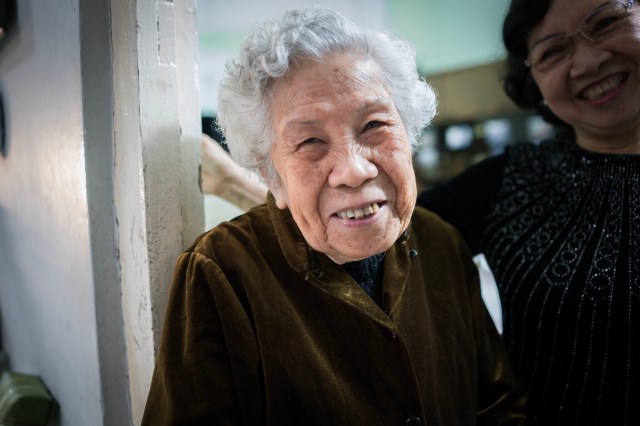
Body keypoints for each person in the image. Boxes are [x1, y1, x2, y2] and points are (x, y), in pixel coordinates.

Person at [198, 0, 640, 424]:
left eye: (605, 23)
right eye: (553, 51)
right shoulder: (509, 182)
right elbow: (363, 224)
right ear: (532, 73)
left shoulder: (437, 242)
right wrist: (259, 183)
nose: (587, 62)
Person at [142, 7, 526, 425]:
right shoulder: (220, 271)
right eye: (310, 141)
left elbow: (499, 408)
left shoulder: (441, 241)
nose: (354, 170)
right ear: (271, 176)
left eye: (374, 125)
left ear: (409, 133)